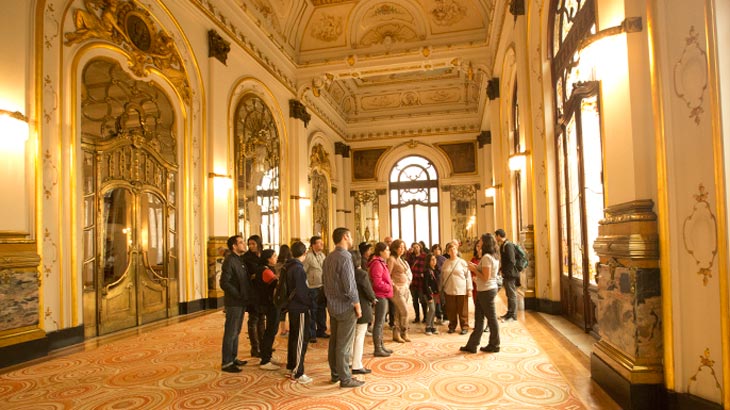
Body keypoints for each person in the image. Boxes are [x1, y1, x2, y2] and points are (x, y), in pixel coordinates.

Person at [322, 227, 364, 388]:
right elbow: (349, 286)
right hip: (346, 307)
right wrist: (357, 306)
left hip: (332, 306)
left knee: (334, 342)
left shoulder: (329, 257)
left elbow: (324, 281)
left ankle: (335, 374)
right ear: (345, 237)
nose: (352, 239)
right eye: (351, 235)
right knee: (344, 344)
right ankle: (345, 378)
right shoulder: (345, 257)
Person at [460, 233, 501, 353]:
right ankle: (472, 345)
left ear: (486, 243)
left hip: (486, 290)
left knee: (491, 319)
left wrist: (474, 270)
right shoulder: (493, 256)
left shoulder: (487, 257)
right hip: (485, 290)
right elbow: (486, 272)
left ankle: (494, 344)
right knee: (479, 318)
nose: (479, 242)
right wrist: (476, 266)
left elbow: (486, 277)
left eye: (481, 240)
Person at [220, 235, 253, 373]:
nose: (244, 244)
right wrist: (238, 294)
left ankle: (233, 358)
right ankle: (227, 362)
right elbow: (224, 282)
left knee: (236, 331)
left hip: (240, 301)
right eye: (241, 242)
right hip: (234, 302)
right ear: (234, 246)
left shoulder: (239, 260)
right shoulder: (229, 261)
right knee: (231, 331)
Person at [285, 241, 314, 384]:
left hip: (292, 307)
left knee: (294, 337)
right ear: (305, 253)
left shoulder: (289, 265)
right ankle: (297, 371)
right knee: (301, 340)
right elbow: (302, 292)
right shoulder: (298, 269)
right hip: (300, 307)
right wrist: (310, 303)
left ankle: (291, 365)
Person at [350, 250, 376, 375]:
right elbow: (368, 290)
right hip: (362, 307)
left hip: (349, 307)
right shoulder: (362, 274)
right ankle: (357, 364)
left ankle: (350, 360)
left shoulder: (347, 273)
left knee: (351, 335)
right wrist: (373, 298)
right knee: (360, 336)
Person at [440, 242, 472, 335]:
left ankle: (464, 326)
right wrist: (441, 288)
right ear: (448, 252)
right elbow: (442, 276)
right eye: (451, 250)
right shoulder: (445, 263)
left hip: (461, 290)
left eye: (454, 249)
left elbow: (468, 276)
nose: (453, 251)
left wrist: (469, 289)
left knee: (463, 310)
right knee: (451, 310)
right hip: (449, 290)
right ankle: (452, 326)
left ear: (457, 251)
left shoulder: (462, 262)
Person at [256, 249, 281, 370]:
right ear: (268, 258)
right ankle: (265, 360)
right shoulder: (265, 270)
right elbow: (277, 283)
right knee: (270, 331)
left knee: (271, 330)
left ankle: (268, 355)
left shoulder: (267, 268)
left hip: (270, 303)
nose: (276, 258)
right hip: (270, 304)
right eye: (274, 256)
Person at [368, 242, 393, 357]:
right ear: (381, 252)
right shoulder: (377, 264)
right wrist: (388, 287)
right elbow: (377, 282)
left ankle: (381, 345)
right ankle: (377, 348)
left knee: (381, 322)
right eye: (387, 250)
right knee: (378, 323)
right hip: (380, 295)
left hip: (384, 294)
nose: (389, 252)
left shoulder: (381, 262)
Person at [242, 235, 265, 357]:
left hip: (263, 292)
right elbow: (249, 275)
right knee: (253, 320)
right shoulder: (246, 258)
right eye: (249, 244)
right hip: (253, 292)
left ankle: (263, 346)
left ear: (258, 244)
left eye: (253, 244)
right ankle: (255, 348)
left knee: (262, 319)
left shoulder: (263, 255)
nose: (251, 246)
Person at [304, 235, 329, 343]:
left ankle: (321, 330)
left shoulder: (322, 255)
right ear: (313, 245)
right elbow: (303, 272)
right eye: (319, 243)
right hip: (312, 287)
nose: (321, 244)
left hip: (322, 286)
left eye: (321, 242)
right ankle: (312, 334)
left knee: (321, 310)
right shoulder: (308, 256)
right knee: (313, 311)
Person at [387, 239, 413, 343]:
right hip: (397, 289)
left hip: (405, 288)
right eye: (400, 247)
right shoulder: (391, 259)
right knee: (405, 311)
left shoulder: (401, 259)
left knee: (398, 312)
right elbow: (387, 275)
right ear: (394, 248)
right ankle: (404, 331)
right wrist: (394, 285)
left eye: (403, 247)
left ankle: (397, 334)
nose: (402, 249)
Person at [495, 228, 518, 321]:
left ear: (499, 236)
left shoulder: (508, 246)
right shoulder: (504, 245)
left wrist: (505, 271)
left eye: (496, 236)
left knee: (512, 295)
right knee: (509, 294)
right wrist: (501, 269)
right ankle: (509, 313)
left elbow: (512, 261)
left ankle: (513, 315)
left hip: (510, 274)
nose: (495, 238)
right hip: (507, 274)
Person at [407, 242, 427, 324]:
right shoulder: (411, 257)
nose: (416, 249)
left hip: (421, 282)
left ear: (420, 247)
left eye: (417, 247)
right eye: (414, 247)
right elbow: (407, 264)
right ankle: (417, 316)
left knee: (422, 300)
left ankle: (425, 316)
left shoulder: (424, 256)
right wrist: (408, 253)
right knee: (414, 300)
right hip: (413, 282)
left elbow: (427, 266)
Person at [275, 245, 292, 337]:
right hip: (289, 288)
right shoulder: (290, 264)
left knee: (282, 310)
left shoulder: (278, 264)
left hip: (281, 288)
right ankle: (290, 328)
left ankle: (283, 329)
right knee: (290, 308)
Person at [422, 253, 440, 335]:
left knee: (434, 310)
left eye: (435, 259)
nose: (434, 261)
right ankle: (428, 326)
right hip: (429, 293)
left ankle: (432, 326)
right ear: (428, 261)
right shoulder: (426, 271)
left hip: (436, 293)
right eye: (432, 260)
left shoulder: (435, 270)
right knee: (432, 309)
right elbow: (425, 285)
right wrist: (429, 296)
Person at [430, 244, 446, 323]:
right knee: (436, 301)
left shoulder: (444, 259)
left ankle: (445, 316)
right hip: (433, 282)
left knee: (443, 299)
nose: (437, 251)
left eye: (438, 249)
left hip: (442, 281)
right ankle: (438, 316)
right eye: (435, 249)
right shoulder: (431, 258)